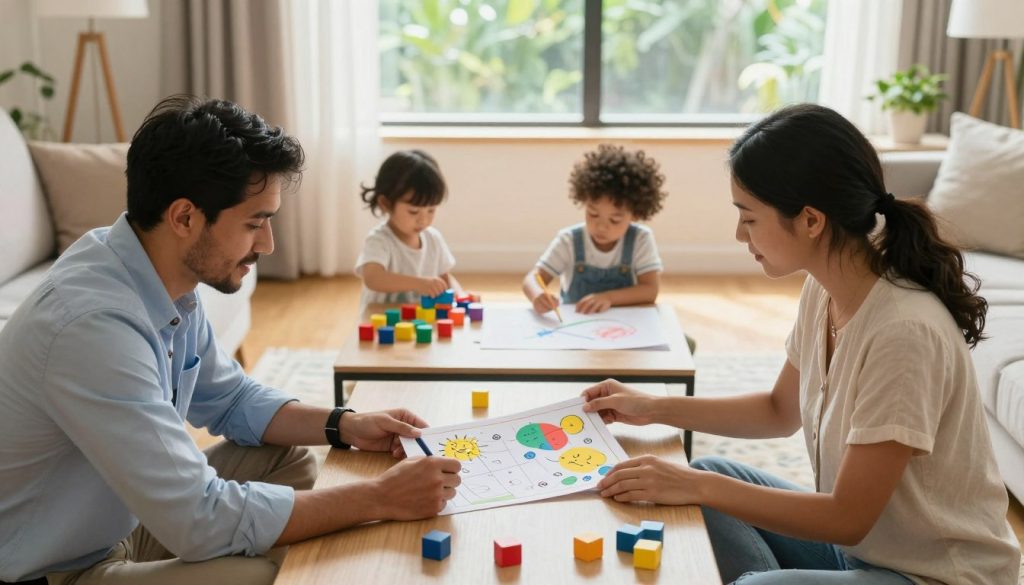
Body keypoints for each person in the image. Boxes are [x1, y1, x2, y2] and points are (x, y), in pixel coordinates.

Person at [0, 96, 461, 585]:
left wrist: (347, 424)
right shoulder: (92, 328)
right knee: (260, 577)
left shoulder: (154, 274)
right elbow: (198, 519)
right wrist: (379, 498)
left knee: (286, 457)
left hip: (126, 520)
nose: (267, 245)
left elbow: (231, 399)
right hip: (56, 569)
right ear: (184, 218)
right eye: (254, 223)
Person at [580, 104, 1021, 584]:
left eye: (748, 218)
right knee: (704, 477)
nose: (738, 234)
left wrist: (698, 485)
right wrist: (652, 408)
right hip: (861, 555)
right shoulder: (825, 289)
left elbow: (846, 518)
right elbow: (777, 410)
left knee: (706, 497)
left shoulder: (903, 332)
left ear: (811, 220)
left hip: (934, 576)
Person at [523, 143, 667, 315]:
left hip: (625, 324)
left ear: (635, 214)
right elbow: (533, 278)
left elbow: (650, 290)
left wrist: (608, 297)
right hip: (577, 325)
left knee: (681, 340)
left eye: (615, 220)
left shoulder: (640, 239)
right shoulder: (569, 240)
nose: (601, 226)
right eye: (593, 214)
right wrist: (538, 294)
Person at [355, 149, 461, 313]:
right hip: (381, 319)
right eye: (413, 212)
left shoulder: (433, 239)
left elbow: (444, 278)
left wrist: (461, 296)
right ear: (386, 204)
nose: (423, 220)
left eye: (431, 210)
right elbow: (373, 278)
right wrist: (420, 283)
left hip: (418, 318)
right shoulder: (380, 240)